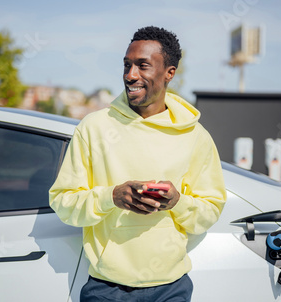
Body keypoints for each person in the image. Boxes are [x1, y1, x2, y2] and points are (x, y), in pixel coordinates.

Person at [49, 26, 226, 301]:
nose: (131, 75)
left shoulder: (195, 136)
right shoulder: (94, 128)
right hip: (107, 289)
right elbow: (63, 202)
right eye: (127, 65)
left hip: (171, 288)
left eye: (142, 65)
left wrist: (177, 202)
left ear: (169, 72)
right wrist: (111, 197)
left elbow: (211, 208)